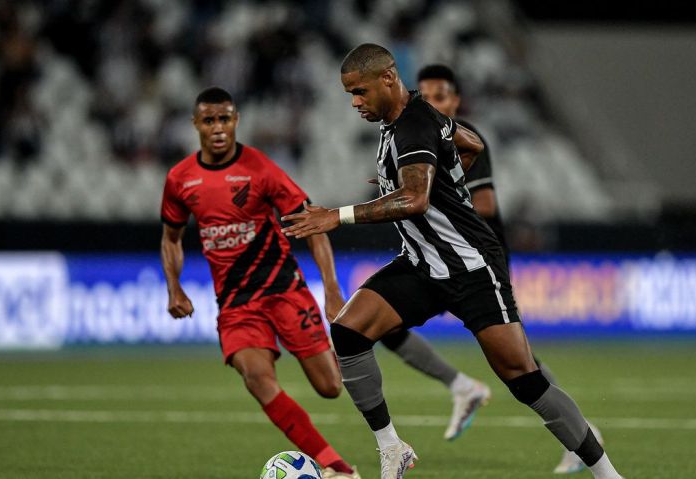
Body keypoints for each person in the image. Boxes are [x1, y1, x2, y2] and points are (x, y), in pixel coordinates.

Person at [282, 44, 622, 479]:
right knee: (349, 331)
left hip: (471, 268)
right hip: (422, 266)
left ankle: (607, 474)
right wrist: (432, 171)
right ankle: (392, 448)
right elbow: (472, 144)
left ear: (388, 78)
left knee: (524, 378)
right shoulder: (409, 121)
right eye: (350, 94)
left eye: (360, 92)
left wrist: (337, 215)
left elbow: (416, 199)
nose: (354, 103)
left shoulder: (414, 124)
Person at [160, 87, 360, 479]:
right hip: (236, 304)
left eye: (225, 118)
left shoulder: (261, 170)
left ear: (236, 120)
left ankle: (358, 346)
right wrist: (174, 286)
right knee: (256, 378)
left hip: (284, 290)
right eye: (209, 120)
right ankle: (338, 468)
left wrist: (331, 289)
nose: (218, 127)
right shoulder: (180, 179)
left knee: (330, 386)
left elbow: (314, 227)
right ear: (195, 124)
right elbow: (170, 238)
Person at [417, 63, 604, 474]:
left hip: (480, 260)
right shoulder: (418, 138)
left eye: (440, 96)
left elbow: (484, 206)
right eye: (425, 96)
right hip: (444, 258)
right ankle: (458, 386)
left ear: (455, 100)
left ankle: (581, 433)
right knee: (379, 322)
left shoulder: (464, 137)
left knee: (517, 359)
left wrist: (427, 197)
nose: (432, 103)